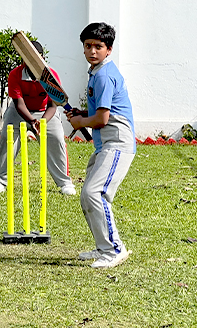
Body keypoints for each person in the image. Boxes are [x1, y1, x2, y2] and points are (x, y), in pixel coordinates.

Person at [66, 22, 135, 269]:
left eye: (98, 46)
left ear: (109, 49)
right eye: (88, 46)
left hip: (117, 142)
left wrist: (80, 122)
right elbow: (102, 111)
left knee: (94, 193)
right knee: (88, 197)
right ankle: (102, 247)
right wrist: (82, 113)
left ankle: (114, 250)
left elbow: (102, 119)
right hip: (105, 144)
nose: (92, 51)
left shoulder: (104, 75)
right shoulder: (97, 72)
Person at [0, 40, 76, 196]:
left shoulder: (51, 76)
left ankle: (65, 182)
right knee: (7, 138)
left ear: (42, 58)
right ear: (23, 59)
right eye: (28, 58)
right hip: (19, 112)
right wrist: (31, 121)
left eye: (37, 58)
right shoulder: (15, 74)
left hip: (45, 112)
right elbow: (19, 103)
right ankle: (1, 180)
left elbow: (53, 105)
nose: (33, 62)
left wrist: (42, 122)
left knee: (56, 138)